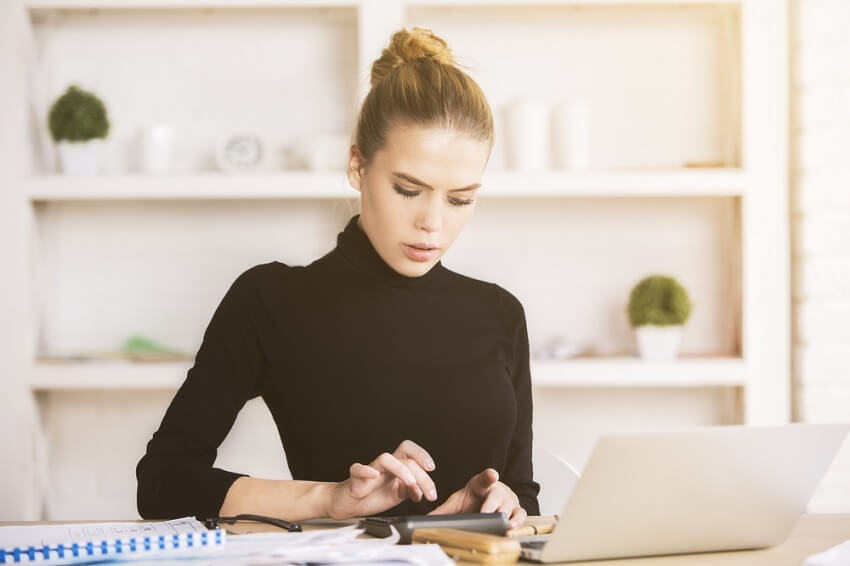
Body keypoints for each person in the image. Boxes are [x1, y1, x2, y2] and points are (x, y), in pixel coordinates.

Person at [136, 26, 539, 529]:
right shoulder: (271, 301)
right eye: (408, 189)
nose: (433, 223)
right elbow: (162, 483)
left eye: (460, 199)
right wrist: (328, 499)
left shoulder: (500, 314)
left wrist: (503, 505)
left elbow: (523, 496)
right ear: (357, 166)